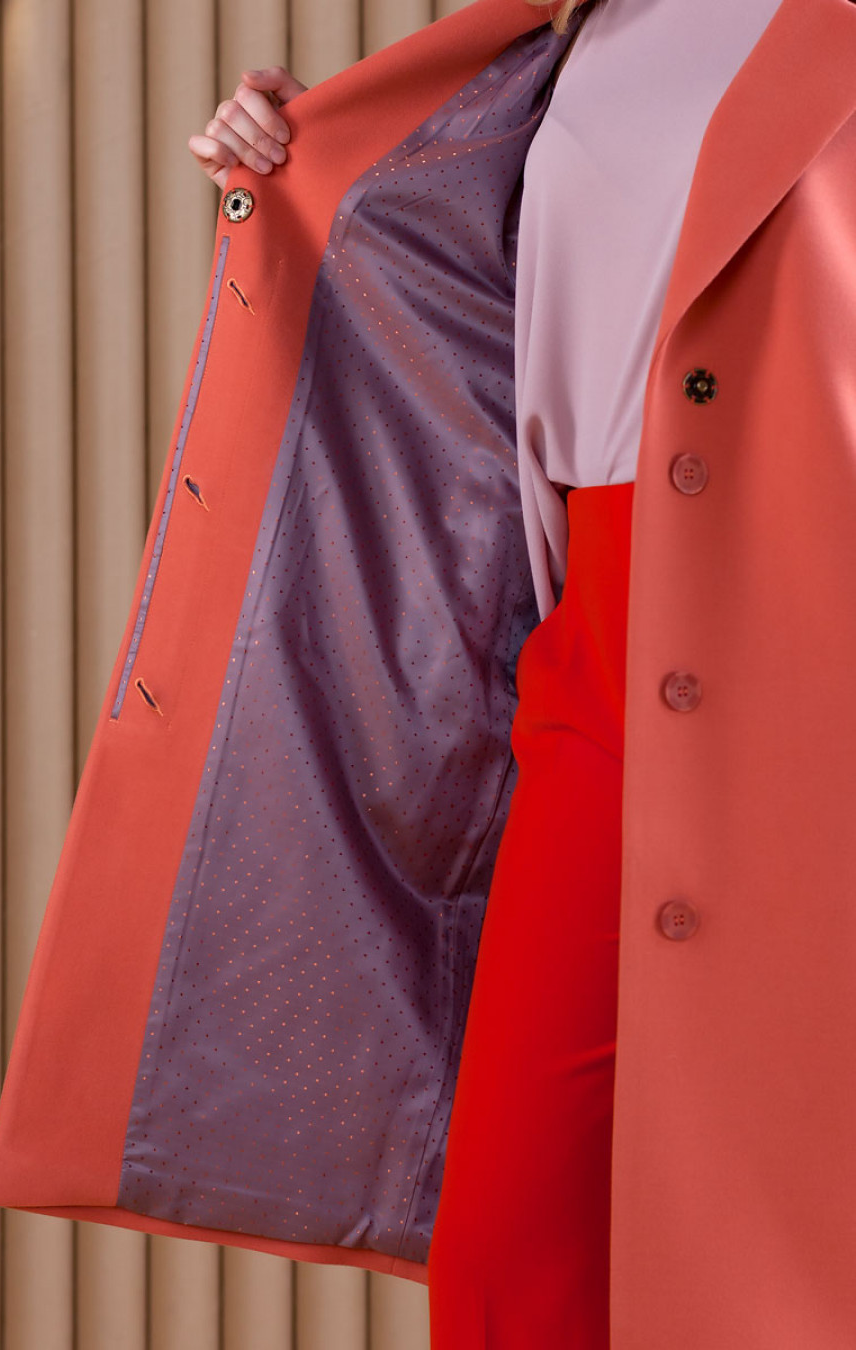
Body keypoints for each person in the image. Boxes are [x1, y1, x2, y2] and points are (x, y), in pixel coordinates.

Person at [185, 0, 784, 1344]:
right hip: (600, 651)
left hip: (804, 632)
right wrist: (319, 165)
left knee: (789, 1226)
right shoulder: (566, 41)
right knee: (516, 1248)